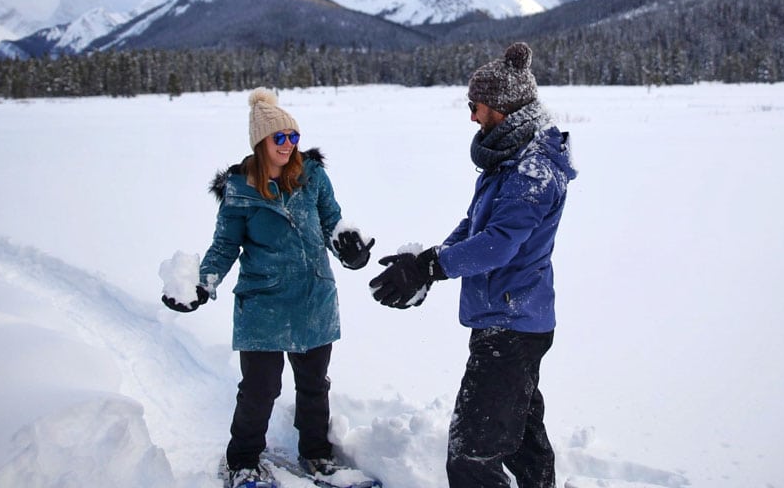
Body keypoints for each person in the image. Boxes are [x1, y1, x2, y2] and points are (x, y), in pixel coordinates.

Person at [368, 42, 577, 488]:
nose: (471, 116)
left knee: (471, 457)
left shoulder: (532, 171)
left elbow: (499, 244)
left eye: (475, 105)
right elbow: (474, 225)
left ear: (500, 107)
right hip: (507, 318)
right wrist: (427, 262)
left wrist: (431, 268)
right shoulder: (509, 162)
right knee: (521, 439)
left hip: (513, 326)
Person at [162, 88, 375, 488]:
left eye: (293, 137)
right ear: (261, 142)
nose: (289, 145)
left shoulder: (313, 177)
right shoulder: (239, 190)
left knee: (314, 385)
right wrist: (203, 285)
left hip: (314, 298)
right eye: (280, 138)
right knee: (260, 388)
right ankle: (242, 461)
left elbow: (333, 224)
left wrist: (352, 252)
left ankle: (317, 455)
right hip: (264, 303)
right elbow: (225, 246)